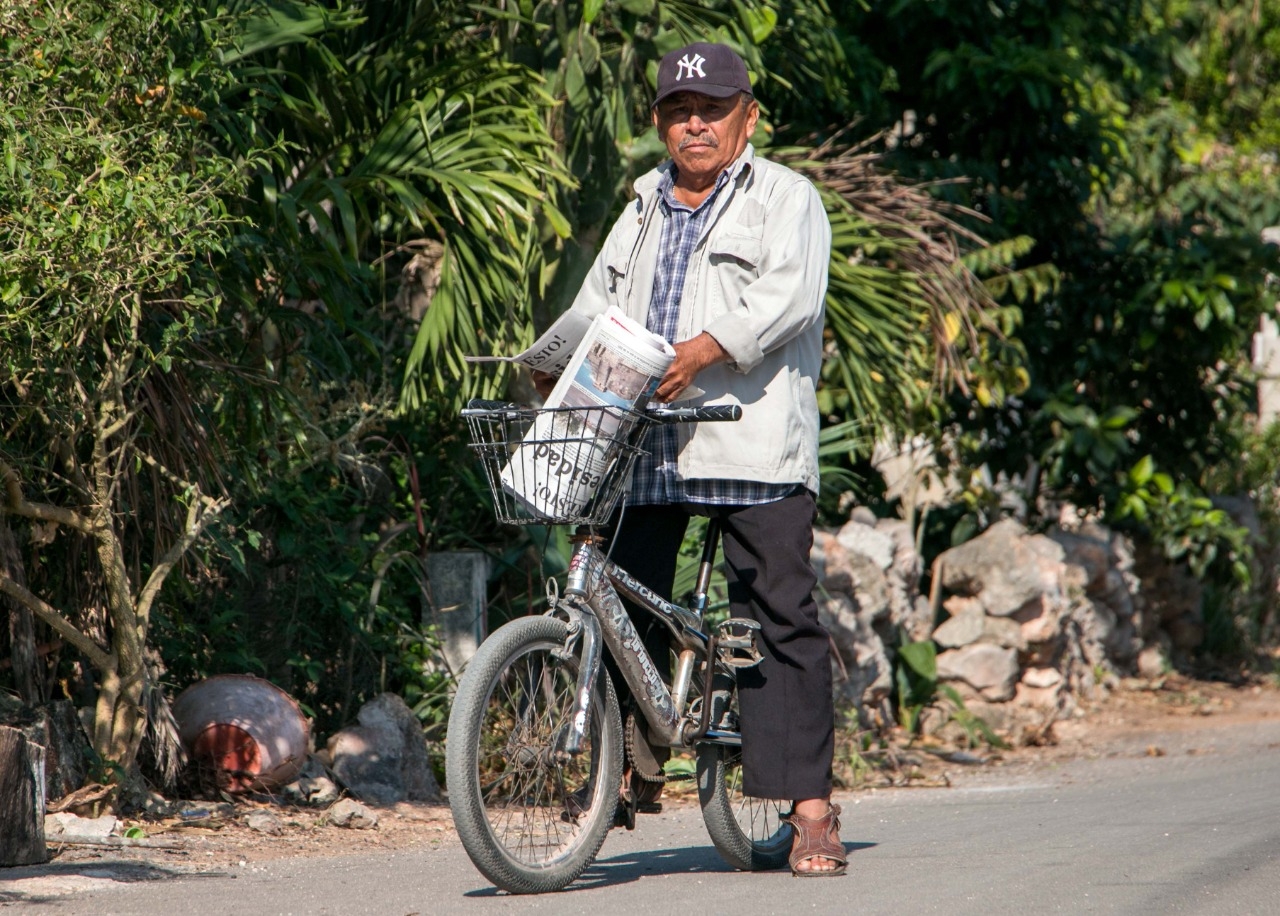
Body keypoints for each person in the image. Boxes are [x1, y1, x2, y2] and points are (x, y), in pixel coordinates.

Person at [535, 41, 844, 877]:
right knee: (615, 594)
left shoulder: (787, 198)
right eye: (679, 110)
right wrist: (554, 367)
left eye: (712, 109)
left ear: (747, 117)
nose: (695, 124)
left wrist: (705, 349)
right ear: (661, 122)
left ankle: (810, 813)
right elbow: (596, 307)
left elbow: (790, 297)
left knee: (777, 616)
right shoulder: (639, 207)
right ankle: (626, 768)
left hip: (749, 436)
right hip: (646, 444)